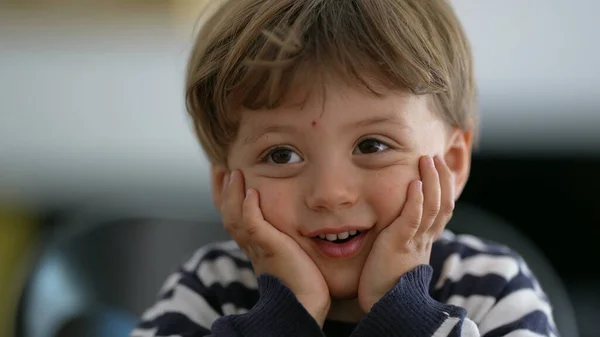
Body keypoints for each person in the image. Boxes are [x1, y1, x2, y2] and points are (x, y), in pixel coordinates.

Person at [131, 0, 558, 336]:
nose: (331, 193)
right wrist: (283, 318)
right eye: (282, 155)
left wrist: (402, 314)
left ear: (452, 162)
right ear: (226, 184)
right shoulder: (207, 289)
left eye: (372, 145)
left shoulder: (494, 288)